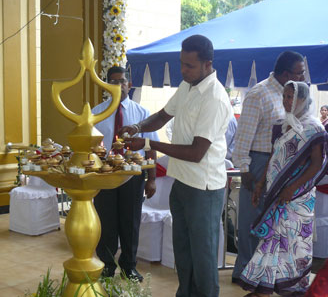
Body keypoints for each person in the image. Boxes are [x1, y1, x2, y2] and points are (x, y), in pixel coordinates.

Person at [120, 34, 232, 297]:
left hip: (203, 188)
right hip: (182, 181)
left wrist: (149, 145)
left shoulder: (214, 98)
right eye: (181, 63)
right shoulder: (187, 86)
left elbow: (196, 152)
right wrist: (137, 127)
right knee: (183, 251)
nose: (183, 70)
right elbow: (162, 115)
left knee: (203, 256)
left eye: (189, 66)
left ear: (208, 64)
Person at [237, 81, 328, 296]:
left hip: (298, 198)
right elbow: (273, 155)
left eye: (292, 97)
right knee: (271, 238)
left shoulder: (314, 128)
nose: (287, 101)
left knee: (293, 243)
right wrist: (260, 184)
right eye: (285, 96)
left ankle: (291, 287)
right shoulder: (281, 125)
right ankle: (265, 286)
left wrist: (292, 188)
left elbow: (317, 163)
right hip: (276, 191)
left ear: (303, 100)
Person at [232, 51, 306, 282]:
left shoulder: (293, 94)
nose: (303, 76)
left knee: (273, 221)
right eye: (299, 72)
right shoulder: (259, 94)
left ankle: (264, 273)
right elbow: (243, 137)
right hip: (258, 162)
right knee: (252, 220)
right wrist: (245, 170)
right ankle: (244, 272)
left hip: (281, 164)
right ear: (285, 73)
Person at [91, 66, 158, 282]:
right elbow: (91, 145)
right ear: (106, 85)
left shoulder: (142, 114)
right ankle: (107, 265)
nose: (119, 85)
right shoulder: (95, 113)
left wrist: (152, 179)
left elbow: (150, 148)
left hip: (133, 176)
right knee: (106, 222)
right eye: (113, 81)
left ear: (129, 85)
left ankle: (129, 266)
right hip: (105, 175)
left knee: (130, 223)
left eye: (122, 81)